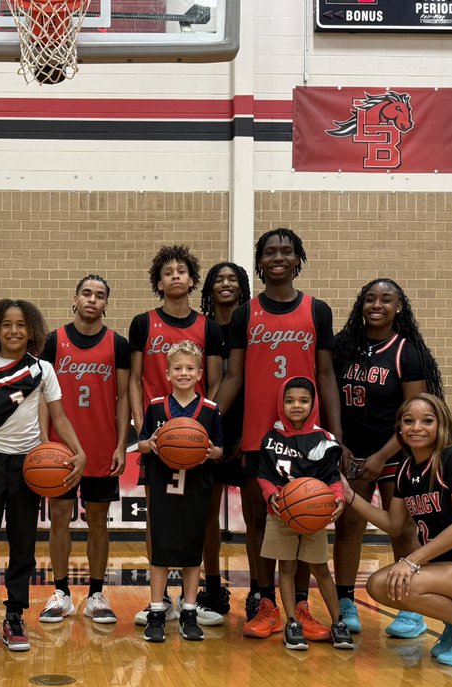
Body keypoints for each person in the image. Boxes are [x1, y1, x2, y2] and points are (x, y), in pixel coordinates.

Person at [213, 228, 342, 639]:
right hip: (258, 437)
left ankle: (301, 606)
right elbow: (233, 377)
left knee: (309, 517)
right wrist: (206, 420)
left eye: (287, 251)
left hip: (309, 439)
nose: (279, 257)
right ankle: (265, 601)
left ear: (298, 259)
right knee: (258, 524)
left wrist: (337, 436)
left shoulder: (317, 310)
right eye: (270, 252)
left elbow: (325, 374)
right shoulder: (244, 314)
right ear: (261, 261)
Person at [343, 394, 452, 666]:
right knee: (379, 585)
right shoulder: (405, 470)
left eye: (427, 421)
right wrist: (350, 496)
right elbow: (393, 524)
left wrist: (412, 561)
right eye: (408, 420)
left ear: (441, 425)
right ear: (399, 428)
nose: (417, 427)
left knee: (400, 582)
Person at [0, 300, 85, 653]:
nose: (14, 330)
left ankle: (14, 615)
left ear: (32, 331)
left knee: (23, 544)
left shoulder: (42, 370)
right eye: (7, 324)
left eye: (22, 325)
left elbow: (59, 417)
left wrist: (78, 451)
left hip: (29, 466)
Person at [332, 278, 445, 638]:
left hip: (396, 453)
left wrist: (382, 456)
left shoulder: (405, 352)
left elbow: (417, 412)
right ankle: (346, 601)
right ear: (360, 305)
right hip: (351, 451)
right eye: (370, 298)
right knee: (349, 527)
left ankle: (411, 607)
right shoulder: (344, 347)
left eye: (386, 299)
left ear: (399, 308)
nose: (376, 304)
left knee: (403, 530)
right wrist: (340, 446)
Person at [128, 245, 223, 624]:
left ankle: (191, 598)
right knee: (159, 520)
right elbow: (134, 380)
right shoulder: (142, 322)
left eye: (182, 270)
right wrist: (141, 428)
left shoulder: (208, 326)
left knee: (196, 519)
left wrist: (196, 428)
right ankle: (161, 599)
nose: (175, 276)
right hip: (157, 432)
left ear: (192, 278)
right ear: (159, 281)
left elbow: (214, 381)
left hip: (192, 436)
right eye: (167, 272)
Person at [38, 275, 130, 627]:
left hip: (102, 447)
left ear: (107, 304)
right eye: (87, 293)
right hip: (60, 451)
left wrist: (122, 444)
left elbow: (122, 401)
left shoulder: (117, 344)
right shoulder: (53, 341)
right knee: (59, 520)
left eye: (100, 295)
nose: (93, 299)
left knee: (97, 524)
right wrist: (43, 442)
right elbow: (44, 397)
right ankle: (61, 593)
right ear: (74, 300)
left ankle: (95, 594)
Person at [256, 377, 353, 651]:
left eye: (303, 400)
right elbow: (263, 475)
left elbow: (332, 478)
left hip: (313, 515)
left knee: (321, 569)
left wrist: (337, 498)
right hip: (280, 514)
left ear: (313, 404)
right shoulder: (271, 438)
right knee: (285, 567)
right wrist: (271, 494)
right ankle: (292, 623)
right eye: (289, 401)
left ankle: (338, 622)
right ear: (281, 404)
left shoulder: (325, 439)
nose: (296, 405)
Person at [137, 340, 223, 643]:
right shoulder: (156, 406)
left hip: (195, 491)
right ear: (168, 373)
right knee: (159, 553)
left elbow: (219, 448)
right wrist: (154, 444)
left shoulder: (210, 410)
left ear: (200, 373)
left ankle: (188, 610)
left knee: (191, 554)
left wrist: (211, 451)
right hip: (163, 489)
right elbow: (143, 443)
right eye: (178, 368)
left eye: (189, 368)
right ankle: (157, 611)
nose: (184, 373)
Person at [195, 261, 252, 626]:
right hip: (211, 426)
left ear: (243, 286)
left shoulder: (254, 323)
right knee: (207, 517)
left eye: (233, 279)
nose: (226, 284)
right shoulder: (204, 329)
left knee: (254, 517)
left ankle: (261, 594)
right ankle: (213, 587)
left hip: (251, 426)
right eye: (219, 279)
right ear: (210, 288)